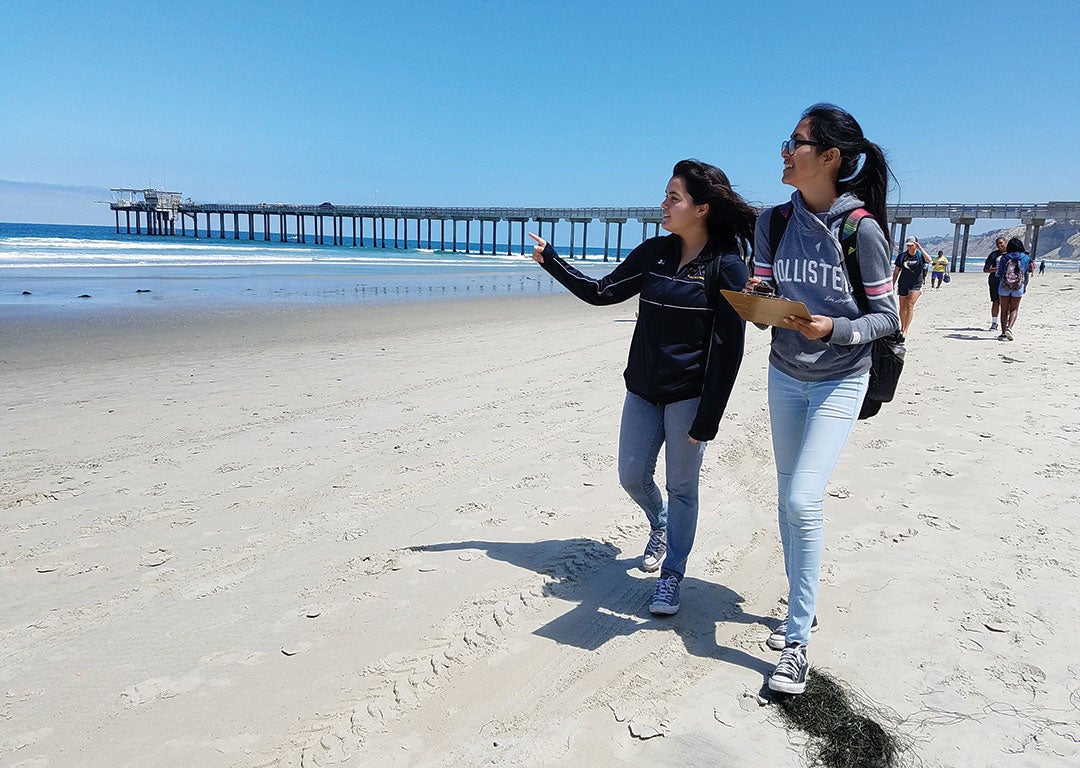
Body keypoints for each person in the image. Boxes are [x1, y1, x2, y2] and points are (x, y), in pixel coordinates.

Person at [527, 159, 755, 616]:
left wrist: (709, 417)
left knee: (683, 487)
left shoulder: (725, 267)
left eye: (674, 197)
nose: (663, 204)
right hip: (643, 389)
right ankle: (659, 523)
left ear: (702, 208)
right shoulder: (655, 253)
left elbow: (729, 348)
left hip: (690, 396)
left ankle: (672, 574)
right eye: (666, 195)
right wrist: (551, 260)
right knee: (631, 475)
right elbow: (601, 292)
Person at [748, 104, 900, 695]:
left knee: (805, 497)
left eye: (796, 143)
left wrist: (831, 329)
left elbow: (886, 318)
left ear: (830, 157)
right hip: (784, 370)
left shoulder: (861, 228)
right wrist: (757, 299)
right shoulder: (773, 221)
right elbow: (765, 285)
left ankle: (796, 644)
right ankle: (801, 609)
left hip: (841, 374)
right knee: (788, 495)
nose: (785, 152)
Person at [892, 236, 931, 335]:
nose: (909, 247)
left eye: (911, 245)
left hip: (916, 284)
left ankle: (905, 330)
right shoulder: (902, 256)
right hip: (903, 283)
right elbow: (896, 272)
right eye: (908, 245)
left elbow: (929, 260)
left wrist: (920, 249)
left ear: (916, 245)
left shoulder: (920, 255)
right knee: (902, 307)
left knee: (910, 305)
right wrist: (892, 284)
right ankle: (902, 326)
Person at [995, 237, 1032, 341]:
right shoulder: (1025, 258)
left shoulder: (1004, 257)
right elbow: (1026, 272)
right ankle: (1009, 328)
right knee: (1014, 309)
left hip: (1004, 286)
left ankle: (1003, 333)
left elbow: (999, 273)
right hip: (1018, 286)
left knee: (1004, 310)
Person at [984, 237, 1007, 331]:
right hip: (995, 281)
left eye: (1001, 243)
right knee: (995, 301)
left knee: (1006, 303)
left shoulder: (1011, 254)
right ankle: (994, 323)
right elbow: (985, 269)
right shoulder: (994, 255)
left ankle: (1006, 323)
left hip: (1008, 281)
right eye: (997, 244)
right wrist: (997, 269)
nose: (999, 245)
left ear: (1006, 242)